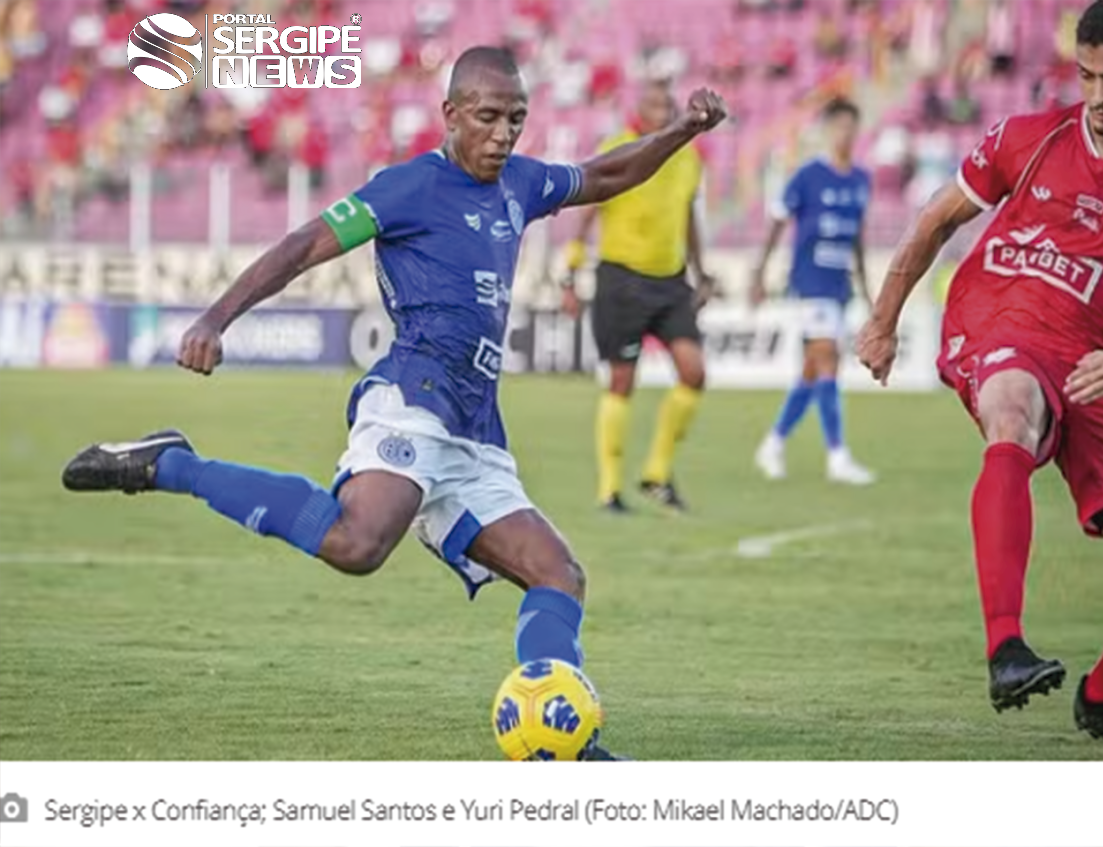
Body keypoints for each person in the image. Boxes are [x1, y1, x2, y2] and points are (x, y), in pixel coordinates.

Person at [61, 46, 727, 760]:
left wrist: (683, 129)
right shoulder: (407, 188)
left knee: (558, 574)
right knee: (356, 542)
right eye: (488, 117)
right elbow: (304, 244)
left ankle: (563, 745)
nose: (504, 134)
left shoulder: (521, 184)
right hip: (414, 395)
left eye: (517, 119)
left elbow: (606, 173)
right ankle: (173, 464)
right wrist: (215, 318)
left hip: (475, 429)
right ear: (450, 114)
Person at [857, 0, 1103, 746]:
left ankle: (1102, 696)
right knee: (1014, 407)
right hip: (997, 321)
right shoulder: (1028, 137)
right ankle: (1006, 646)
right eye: (1085, 75)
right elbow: (933, 220)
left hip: (1097, 364)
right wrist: (884, 320)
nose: (1097, 94)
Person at [561, 79, 715, 513]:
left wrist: (701, 273)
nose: (663, 112)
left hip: (670, 281)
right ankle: (609, 489)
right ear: (639, 110)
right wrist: (569, 274)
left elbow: (688, 216)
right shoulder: (619, 146)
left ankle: (657, 474)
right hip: (621, 280)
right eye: (654, 104)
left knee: (694, 372)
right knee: (622, 380)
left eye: (668, 105)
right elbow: (586, 212)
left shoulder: (689, 159)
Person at [751, 98, 876, 485]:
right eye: (839, 126)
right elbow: (776, 221)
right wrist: (759, 272)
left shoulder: (860, 180)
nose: (845, 133)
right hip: (808, 281)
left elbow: (857, 238)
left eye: (851, 126)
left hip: (838, 286)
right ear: (827, 130)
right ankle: (837, 455)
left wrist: (867, 288)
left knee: (812, 370)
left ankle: (773, 443)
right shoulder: (808, 176)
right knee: (828, 358)